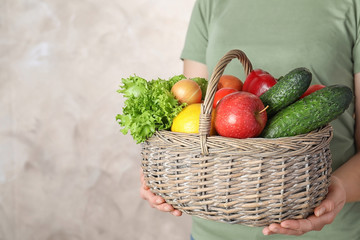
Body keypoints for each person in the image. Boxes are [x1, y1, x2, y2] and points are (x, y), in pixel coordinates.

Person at [141, 0, 360, 239]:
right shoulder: (210, 3)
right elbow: (189, 107)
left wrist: (337, 189)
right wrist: (163, 170)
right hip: (215, 231)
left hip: (329, 228)